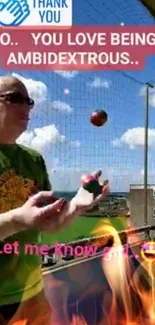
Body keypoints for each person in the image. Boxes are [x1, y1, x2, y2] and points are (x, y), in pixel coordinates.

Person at [0, 76, 109, 324]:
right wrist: (16, 220)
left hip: (32, 295)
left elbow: (50, 225)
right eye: (15, 98)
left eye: (29, 101)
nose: (26, 107)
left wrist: (76, 206)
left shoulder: (34, 159)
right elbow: (22, 220)